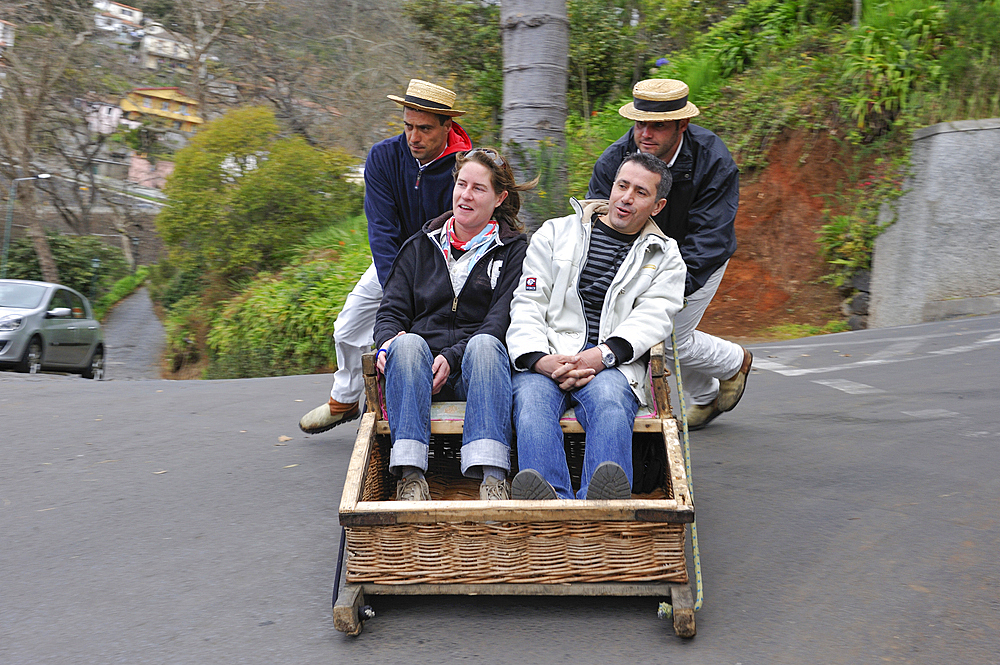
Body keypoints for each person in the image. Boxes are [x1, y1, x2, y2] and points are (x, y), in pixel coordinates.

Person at [507, 153, 686, 501]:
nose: (626, 198)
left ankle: (602, 505)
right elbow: (528, 302)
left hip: (612, 364)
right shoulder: (556, 233)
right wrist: (539, 359)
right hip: (548, 356)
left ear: (658, 205)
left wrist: (601, 356)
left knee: (609, 403)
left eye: (640, 192)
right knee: (530, 402)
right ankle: (551, 504)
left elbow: (654, 317)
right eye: (622, 185)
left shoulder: (665, 257)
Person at [299, 80, 472, 434]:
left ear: (447, 126)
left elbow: (463, 230)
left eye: (424, 128)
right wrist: (399, 291)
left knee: (431, 334)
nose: (414, 137)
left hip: (452, 266)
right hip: (393, 262)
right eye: (408, 126)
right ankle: (344, 400)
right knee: (347, 327)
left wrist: (423, 296)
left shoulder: (465, 166)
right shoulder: (383, 157)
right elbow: (381, 229)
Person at [587, 78, 753, 431]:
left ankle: (733, 363)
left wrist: (661, 290)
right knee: (646, 333)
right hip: (637, 260)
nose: (646, 133)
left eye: (658, 125)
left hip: (698, 256)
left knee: (664, 336)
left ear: (682, 125)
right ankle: (707, 398)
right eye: (640, 123)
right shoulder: (614, 161)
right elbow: (596, 225)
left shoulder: (714, 161)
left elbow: (709, 237)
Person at [374, 148, 532, 501]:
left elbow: (501, 319)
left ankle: (493, 479)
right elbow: (390, 311)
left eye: (478, 188)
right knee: (407, 343)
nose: (466, 195)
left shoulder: (514, 252)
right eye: (462, 184)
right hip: (418, 372)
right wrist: (388, 342)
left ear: (499, 198)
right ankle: (411, 479)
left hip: (477, 372)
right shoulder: (420, 245)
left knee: (487, 345)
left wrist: (454, 357)